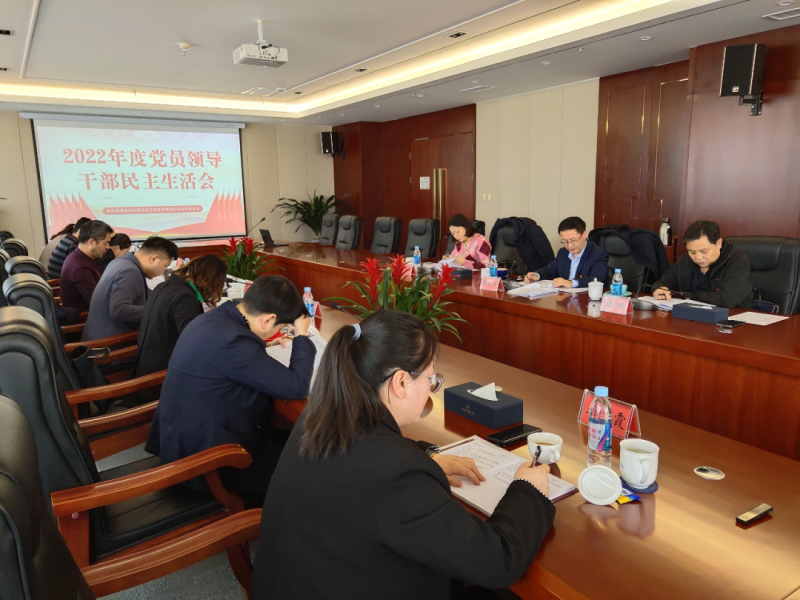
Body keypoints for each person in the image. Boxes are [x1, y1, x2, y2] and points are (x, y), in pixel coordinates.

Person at [252, 310, 555, 600]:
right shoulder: (398, 476)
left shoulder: (320, 416)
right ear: (400, 382)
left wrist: (426, 456)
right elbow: (497, 560)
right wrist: (529, 490)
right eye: (431, 380)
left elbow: (363, 464)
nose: (431, 388)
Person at [145, 275, 316, 507]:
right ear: (267, 320)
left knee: (288, 437)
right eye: (281, 328)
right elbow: (296, 386)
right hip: (209, 465)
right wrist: (302, 335)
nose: (279, 332)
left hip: (184, 441)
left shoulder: (214, 319)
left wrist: (266, 343)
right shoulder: (234, 342)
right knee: (308, 454)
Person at [131, 254, 227, 387]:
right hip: (162, 378)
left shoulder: (165, 286)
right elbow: (193, 342)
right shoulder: (184, 297)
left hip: (147, 368)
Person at [82, 236, 178, 341]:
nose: (163, 272)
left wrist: (168, 299)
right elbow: (118, 310)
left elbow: (145, 293)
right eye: (165, 266)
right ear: (153, 259)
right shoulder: (130, 271)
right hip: (108, 344)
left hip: (101, 336)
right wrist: (159, 310)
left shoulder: (121, 261)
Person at [652, 220, 753, 308]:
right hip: (692, 316)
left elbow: (727, 299)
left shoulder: (737, 260)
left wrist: (692, 296)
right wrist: (659, 289)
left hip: (733, 317)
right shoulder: (686, 260)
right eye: (692, 252)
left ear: (719, 243)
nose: (698, 257)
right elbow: (662, 283)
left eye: (704, 251)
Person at [524, 216, 609, 287]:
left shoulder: (598, 253)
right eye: (565, 241)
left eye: (573, 240)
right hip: (564, 297)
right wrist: (536, 275)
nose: (569, 246)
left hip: (585, 299)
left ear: (584, 234)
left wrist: (571, 283)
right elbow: (550, 270)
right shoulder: (563, 252)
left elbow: (597, 279)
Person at [59, 220, 114, 313]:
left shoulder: (82, 258)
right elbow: (97, 302)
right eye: (105, 243)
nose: (108, 247)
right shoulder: (80, 267)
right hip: (86, 317)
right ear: (91, 242)